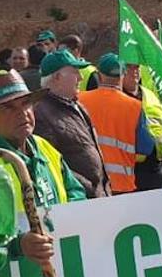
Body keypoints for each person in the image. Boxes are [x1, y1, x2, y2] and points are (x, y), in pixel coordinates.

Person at [0, 70, 87, 221]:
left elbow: (75, 190)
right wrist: (19, 243)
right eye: (9, 107)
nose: (22, 113)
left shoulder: (43, 147)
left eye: (26, 103)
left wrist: (67, 217)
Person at [33, 49, 108, 198]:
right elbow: (51, 164)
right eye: (75, 72)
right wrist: (88, 188)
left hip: (97, 197)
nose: (80, 78)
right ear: (57, 77)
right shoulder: (40, 114)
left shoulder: (76, 106)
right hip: (77, 200)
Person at [79, 54, 156, 196]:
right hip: (121, 184)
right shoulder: (135, 107)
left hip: (88, 182)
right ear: (123, 74)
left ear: (99, 75)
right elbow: (146, 148)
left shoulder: (80, 100)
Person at [121, 63, 162, 191]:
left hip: (156, 169)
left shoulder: (150, 95)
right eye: (129, 68)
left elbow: (161, 127)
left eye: (136, 67)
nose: (134, 71)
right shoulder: (118, 98)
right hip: (131, 170)